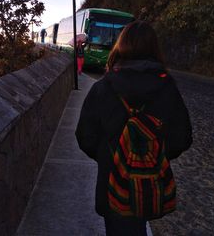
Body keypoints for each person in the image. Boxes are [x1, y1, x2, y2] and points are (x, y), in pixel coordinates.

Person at [75, 21, 192, 236]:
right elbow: (182, 138)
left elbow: (85, 137)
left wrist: (112, 157)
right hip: (150, 182)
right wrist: (151, 157)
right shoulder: (168, 88)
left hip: (112, 183)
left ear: (121, 46)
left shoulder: (103, 87)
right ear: (154, 48)